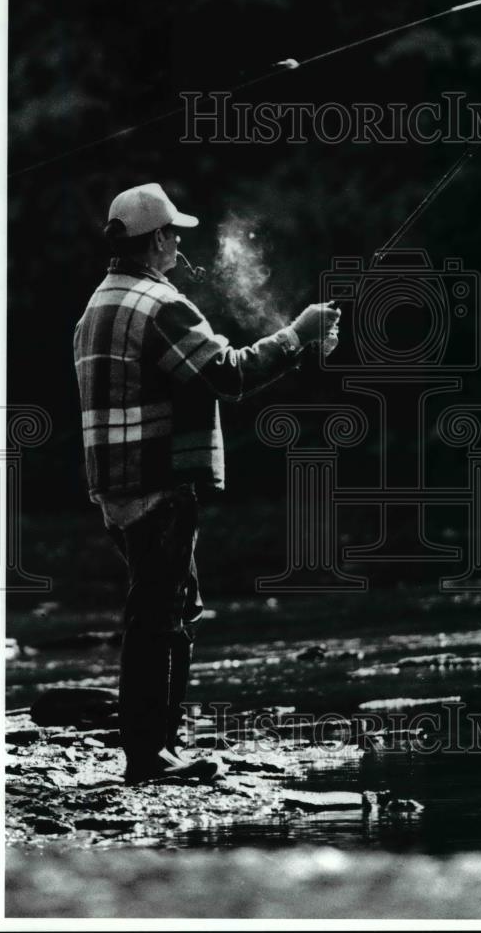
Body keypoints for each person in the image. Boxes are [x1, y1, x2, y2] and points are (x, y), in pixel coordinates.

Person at [73, 182, 340, 784]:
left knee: (169, 608)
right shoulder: (158, 305)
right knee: (159, 616)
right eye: (174, 233)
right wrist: (297, 335)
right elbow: (231, 375)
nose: (178, 242)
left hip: (115, 487)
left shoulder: (99, 304)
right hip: (157, 481)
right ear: (159, 239)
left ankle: (160, 747)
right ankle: (150, 755)